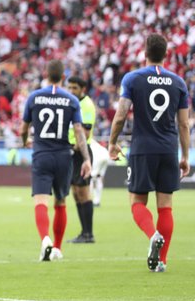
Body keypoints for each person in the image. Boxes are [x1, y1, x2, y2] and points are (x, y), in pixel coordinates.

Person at [108, 34, 190, 273]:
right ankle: (161, 261)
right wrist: (184, 156)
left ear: (145, 52)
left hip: (143, 149)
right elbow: (184, 125)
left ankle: (153, 235)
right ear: (166, 54)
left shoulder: (133, 79)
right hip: (168, 149)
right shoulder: (178, 83)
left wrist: (112, 142)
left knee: (136, 202)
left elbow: (121, 115)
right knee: (165, 206)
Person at [20, 60, 91, 262]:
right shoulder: (71, 100)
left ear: (46, 74)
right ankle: (58, 248)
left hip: (41, 154)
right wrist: (86, 159)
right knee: (60, 201)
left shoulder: (34, 98)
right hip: (63, 156)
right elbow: (79, 131)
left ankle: (45, 240)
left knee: (41, 201)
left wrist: (26, 141)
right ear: (63, 77)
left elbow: (23, 129)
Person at [66, 77, 97, 244]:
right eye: (69, 87)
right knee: (76, 193)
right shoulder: (72, 103)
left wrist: (75, 148)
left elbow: (84, 133)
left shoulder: (86, 105)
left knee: (83, 192)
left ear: (82, 89)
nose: (71, 91)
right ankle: (83, 233)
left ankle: (89, 234)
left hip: (81, 153)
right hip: (71, 152)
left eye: (75, 88)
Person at [89, 140, 109, 206]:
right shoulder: (95, 144)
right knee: (99, 177)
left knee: (91, 178)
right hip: (106, 154)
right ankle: (97, 201)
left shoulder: (88, 143)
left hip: (97, 157)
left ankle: (89, 199)